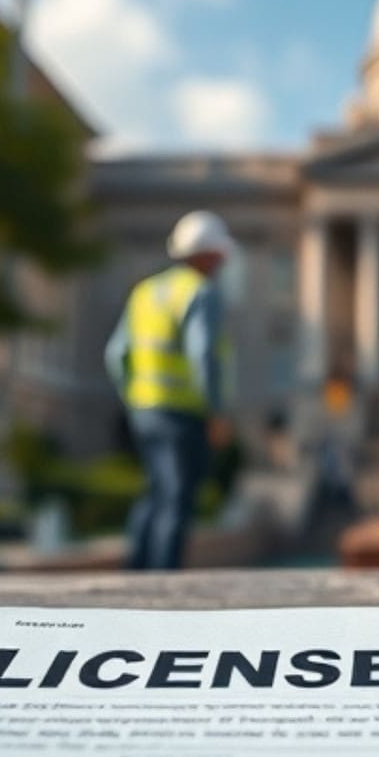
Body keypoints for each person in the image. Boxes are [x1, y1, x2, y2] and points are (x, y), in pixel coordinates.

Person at [105, 211, 235, 570]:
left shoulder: (145, 291)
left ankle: (135, 573)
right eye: (221, 254)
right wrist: (217, 411)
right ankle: (162, 582)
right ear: (209, 254)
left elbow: (116, 353)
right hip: (183, 413)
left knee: (155, 492)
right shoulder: (199, 292)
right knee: (177, 497)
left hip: (144, 410)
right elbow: (203, 354)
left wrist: (134, 398)